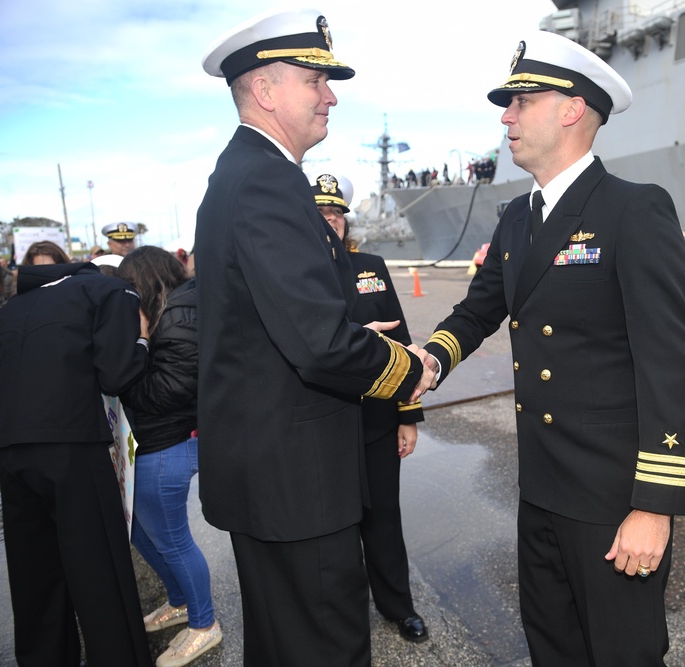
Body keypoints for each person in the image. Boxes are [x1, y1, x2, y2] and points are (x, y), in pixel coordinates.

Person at [418, 31, 685, 666]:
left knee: (623, 651)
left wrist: (654, 507)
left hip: (611, 497)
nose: (505, 117)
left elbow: (673, 364)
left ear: (572, 109)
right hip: (542, 485)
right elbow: (478, 309)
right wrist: (430, 361)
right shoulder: (517, 217)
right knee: (554, 646)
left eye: (520, 103)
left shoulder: (634, 210)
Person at [195, 9, 434, 665]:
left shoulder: (241, 175)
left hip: (270, 474)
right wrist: (407, 367)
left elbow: (273, 322)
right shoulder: (268, 181)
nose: (331, 95)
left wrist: (348, 328)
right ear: (266, 90)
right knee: (325, 646)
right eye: (315, 80)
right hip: (296, 483)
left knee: (283, 646)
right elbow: (320, 344)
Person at [0, 260, 152, 666]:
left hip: (11, 444)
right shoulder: (112, 292)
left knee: (35, 576)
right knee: (99, 570)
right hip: (72, 441)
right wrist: (143, 341)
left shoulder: (15, 306)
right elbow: (116, 374)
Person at [313, 173, 429, 642]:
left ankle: (398, 606)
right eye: (321, 215)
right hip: (324, 422)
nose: (331, 221)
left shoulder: (371, 266)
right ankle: (342, 617)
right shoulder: (296, 275)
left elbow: (400, 342)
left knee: (383, 518)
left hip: (377, 419)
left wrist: (407, 416)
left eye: (337, 214)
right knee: (334, 529)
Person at [116, 247, 222, 667]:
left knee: (174, 541)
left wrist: (138, 344)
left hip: (167, 443)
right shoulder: (171, 312)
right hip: (153, 442)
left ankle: (204, 624)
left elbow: (164, 392)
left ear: (147, 281)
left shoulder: (178, 317)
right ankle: (180, 602)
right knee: (143, 533)